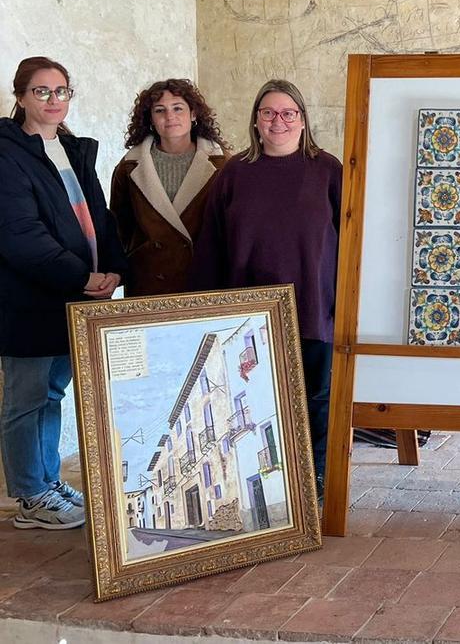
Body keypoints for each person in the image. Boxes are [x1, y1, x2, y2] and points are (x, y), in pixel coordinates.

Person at [191, 79, 342, 499]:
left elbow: (350, 239)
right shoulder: (234, 174)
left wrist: (349, 303)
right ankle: (273, 488)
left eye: (288, 113)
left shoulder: (327, 170)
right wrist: (205, 311)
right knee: (259, 401)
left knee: (317, 398)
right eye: (269, 113)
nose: (279, 121)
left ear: (303, 120)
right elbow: (212, 244)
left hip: (315, 306)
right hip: (249, 313)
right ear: (256, 121)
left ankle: (317, 481)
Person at [0, 56, 126, 529]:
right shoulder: (7, 154)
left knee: (51, 392)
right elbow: (20, 234)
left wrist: (113, 268)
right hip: (31, 300)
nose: (54, 101)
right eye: (42, 91)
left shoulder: (71, 149)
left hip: (78, 297)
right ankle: (29, 497)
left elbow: (100, 216)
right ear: (20, 97)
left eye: (62, 91)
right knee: (24, 399)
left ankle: (47, 480)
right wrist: (81, 277)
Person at [110, 79, 229, 296]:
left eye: (178, 108)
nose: (170, 116)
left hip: (207, 281)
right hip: (149, 283)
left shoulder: (223, 165)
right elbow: (120, 230)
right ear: (150, 119)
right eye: (160, 110)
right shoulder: (128, 167)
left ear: (193, 114)